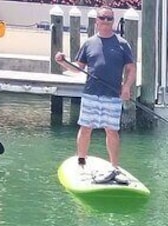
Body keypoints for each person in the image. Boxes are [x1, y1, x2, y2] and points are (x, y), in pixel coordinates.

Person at [55, 4, 136, 179]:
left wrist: (127, 87)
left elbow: (131, 69)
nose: (106, 21)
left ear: (113, 21)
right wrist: (62, 62)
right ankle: (81, 162)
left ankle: (114, 167)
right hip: (91, 93)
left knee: (111, 131)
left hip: (113, 95)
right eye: (103, 18)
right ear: (97, 21)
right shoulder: (89, 43)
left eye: (110, 18)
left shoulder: (122, 44)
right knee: (85, 128)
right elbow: (78, 68)